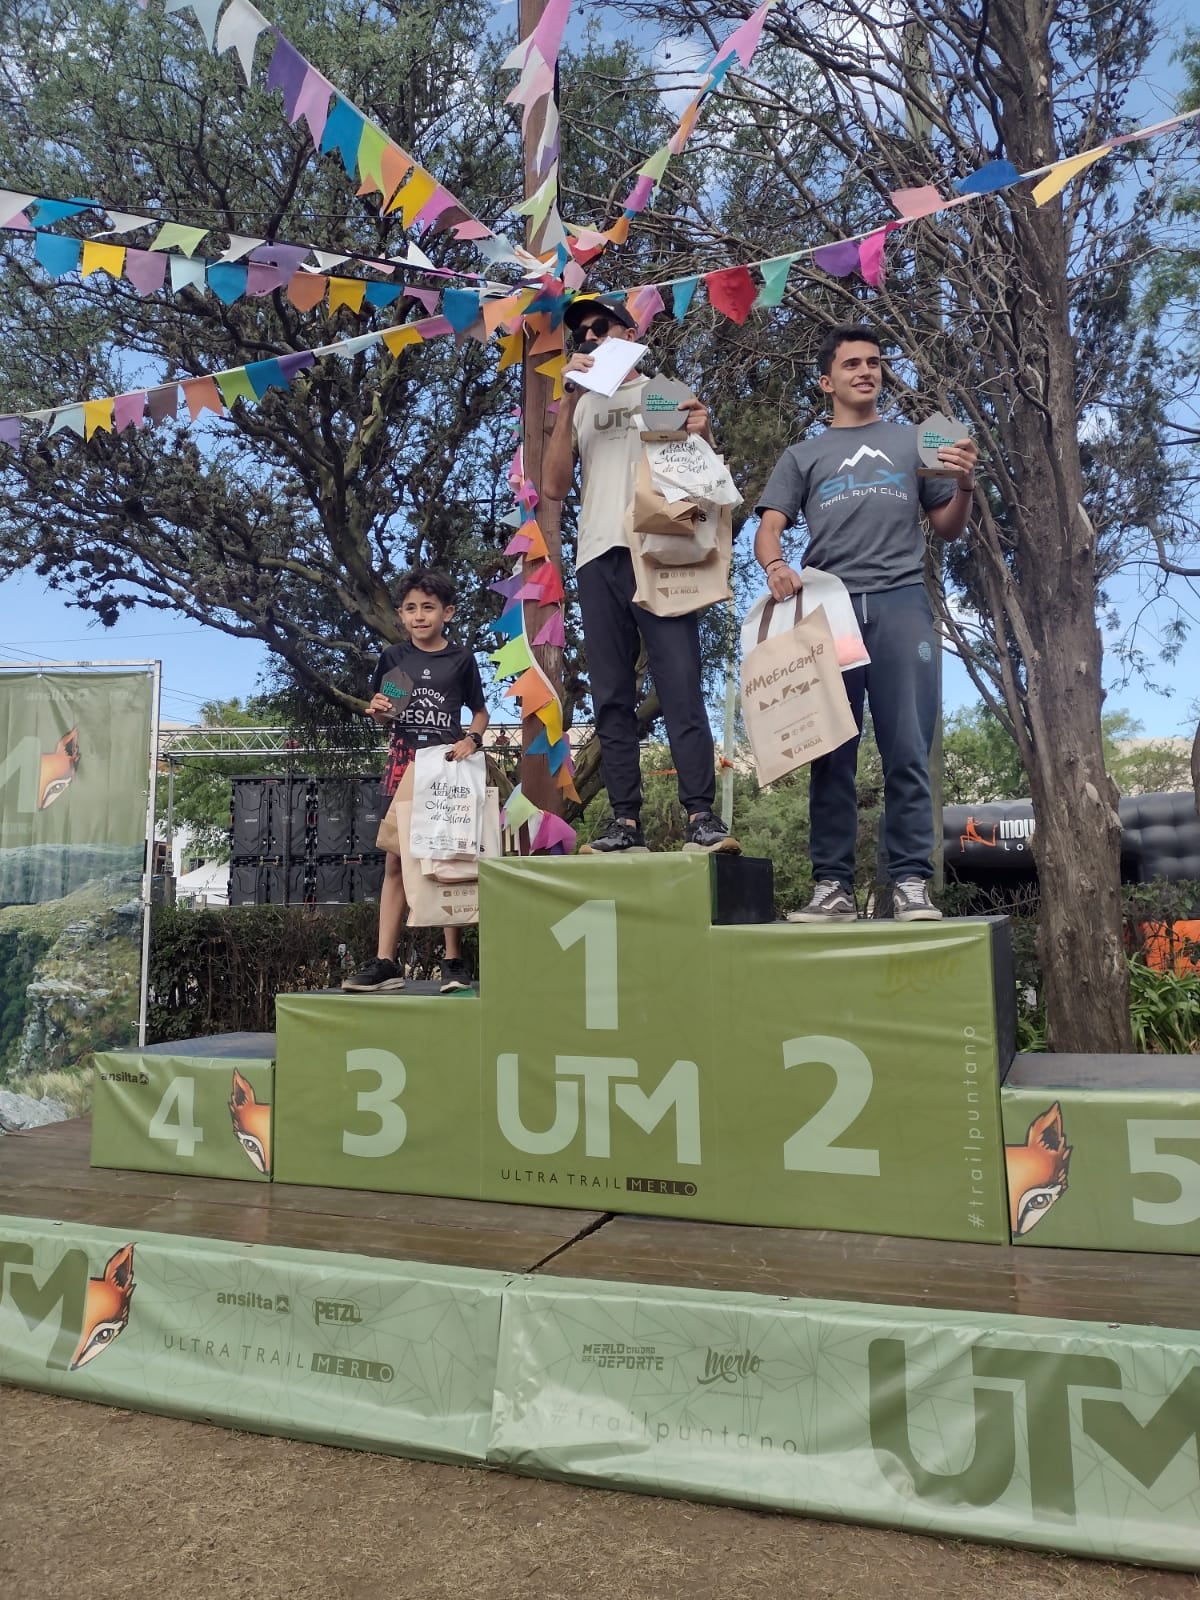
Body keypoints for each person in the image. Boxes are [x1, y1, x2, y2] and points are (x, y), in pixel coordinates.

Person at [754, 324, 977, 922]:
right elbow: (768, 529)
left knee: (907, 746)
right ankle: (833, 889)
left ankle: (910, 883)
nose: (866, 371)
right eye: (852, 364)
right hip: (829, 610)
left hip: (903, 602)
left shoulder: (915, 441)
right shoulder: (803, 455)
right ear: (827, 381)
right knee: (832, 752)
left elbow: (948, 526)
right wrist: (776, 564)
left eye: (874, 363)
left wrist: (965, 482)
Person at [543, 293, 738, 855]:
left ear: (629, 332)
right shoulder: (579, 406)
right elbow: (554, 488)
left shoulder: (667, 392)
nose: (589, 339)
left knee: (680, 684)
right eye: (580, 334)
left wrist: (703, 432)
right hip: (596, 556)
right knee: (610, 695)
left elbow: (706, 485)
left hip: (660, 553)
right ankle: (625, 822)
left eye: (600, 327)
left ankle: (701, 815)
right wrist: (567, 398)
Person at [342, 569, 488, 993]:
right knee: (395, 860)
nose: (419, 616)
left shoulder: (461, 660)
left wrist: (472, 740)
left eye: (428, 608)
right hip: (404, 764)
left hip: (447, 765)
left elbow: (479, 711)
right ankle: (386, 962)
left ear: (448, 612)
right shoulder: (395, 659)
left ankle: (454, 962)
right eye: (410, 608)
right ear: (402, 615)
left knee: (449, 860)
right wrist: (379, 710)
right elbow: (389, 709)